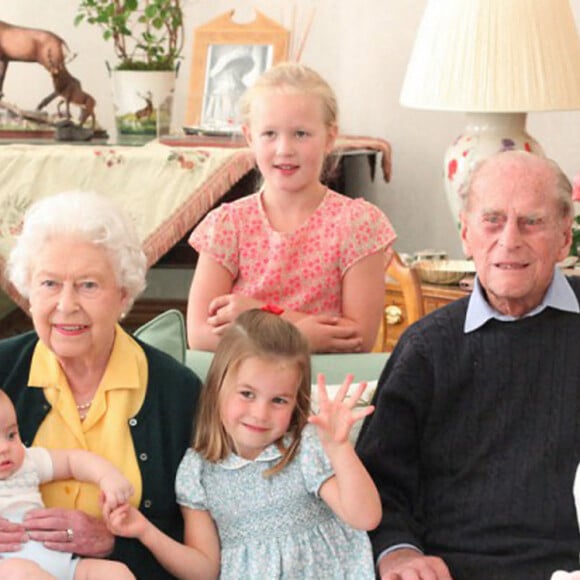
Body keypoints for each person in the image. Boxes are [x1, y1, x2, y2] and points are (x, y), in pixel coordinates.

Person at [356, 150, 580, 580]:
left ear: (564, 239)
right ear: (465, 234)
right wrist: (398, 552)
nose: (510, 239)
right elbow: (378, 479)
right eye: (492, 220)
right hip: (451, 569)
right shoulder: (427, 348)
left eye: (532, 221)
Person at [0, 190, 202, 579]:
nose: (66, 304)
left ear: (123, 293)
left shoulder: (175, 394)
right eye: (49, 284)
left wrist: (115, 543)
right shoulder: (3, 369)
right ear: (28, 290)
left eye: (88, 285)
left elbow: (195, 546)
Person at [104, 309, 382, 578]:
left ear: (296, 401)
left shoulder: (304, 447)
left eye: (279, 400)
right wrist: (145, 531)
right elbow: (203, 570)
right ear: (217, 388)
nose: (260, 414)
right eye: (247, 394)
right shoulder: (198, 471)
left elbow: (365, 518)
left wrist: (339, 448)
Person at [187, 62, 396, 354]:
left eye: (301, 134)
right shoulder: (227, 224)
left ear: (330, 137)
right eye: (270, 134)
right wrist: (299, 335)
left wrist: (259, 316)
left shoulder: (358, 224)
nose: (284, 149)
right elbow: (198, 334)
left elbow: (357, 338)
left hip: (327, 391)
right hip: (247, 393)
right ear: (250, 137)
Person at [0, 390, 134, 579]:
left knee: (115, 572)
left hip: (60, 563)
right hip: (9, 568)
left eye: (11, 435)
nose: (4, 447)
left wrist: (107, 477)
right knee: (18, 572)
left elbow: (73, 460)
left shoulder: (28, 462)